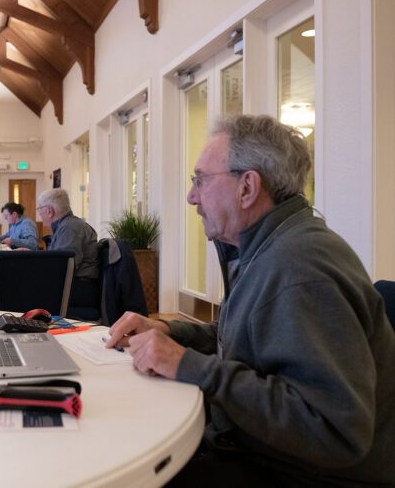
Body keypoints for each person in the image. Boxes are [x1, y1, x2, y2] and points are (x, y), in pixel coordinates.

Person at [106, 115, 395, 486]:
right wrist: (167, 330)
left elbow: (335, 430)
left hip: (301, 473)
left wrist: (187, 364)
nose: (192, 196)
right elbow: (248, 336)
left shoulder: (298, 268)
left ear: (247, 187)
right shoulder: (271, 247)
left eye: (200, 180)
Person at [37, 188, 99, 320]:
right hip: (78, 286)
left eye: (39, 210)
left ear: (49, 211)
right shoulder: (69, 225)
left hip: (78, 289)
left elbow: (62, 268)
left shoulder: (69, 228)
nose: (39, 214)